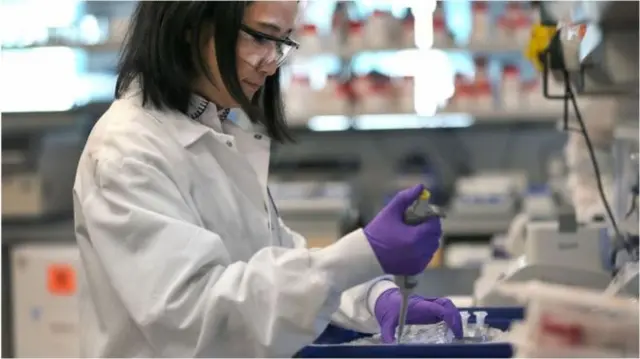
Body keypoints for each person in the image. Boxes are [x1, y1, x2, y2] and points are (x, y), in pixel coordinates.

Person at [73, 2, 462, 357]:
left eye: (282, 42)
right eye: (260, 37)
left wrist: (374, 297)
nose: (272, 63)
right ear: (190, 21)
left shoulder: (211, 133)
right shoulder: (127, 151)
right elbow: (202, 317)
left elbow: (276, 261)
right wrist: (361, 255)